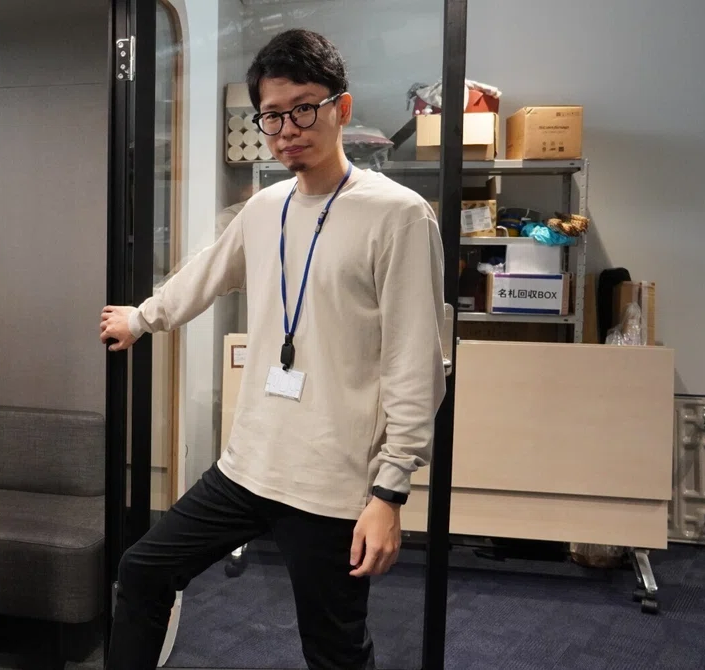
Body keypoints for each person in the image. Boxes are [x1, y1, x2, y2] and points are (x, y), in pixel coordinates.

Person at [99, 29, 445, 670]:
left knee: (334, 650)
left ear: (341, 108)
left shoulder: (398, 215)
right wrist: (142, 318)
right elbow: (206, 273)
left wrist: (389, 493)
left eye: (304, 109)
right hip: (249, 466)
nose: (287, 130)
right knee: (143, 571)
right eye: (272, 115)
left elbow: (413, 365)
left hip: (333, 484)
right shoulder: (265, 208)